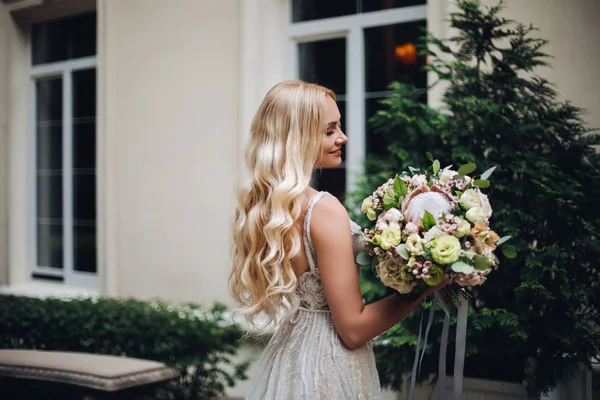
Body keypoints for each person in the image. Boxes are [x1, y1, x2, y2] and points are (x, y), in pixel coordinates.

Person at [229, 80, 445, 399]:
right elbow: (353, 329)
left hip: (292, 352)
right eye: (329, 130)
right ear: (297, 137)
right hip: (325, 366)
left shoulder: (274, 207)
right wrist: (428, 284)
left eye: (338, 127)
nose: (342, 138)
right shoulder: (323, 208)